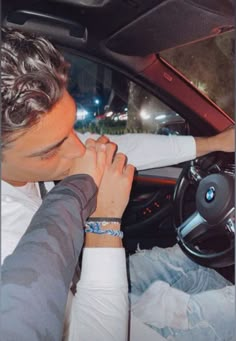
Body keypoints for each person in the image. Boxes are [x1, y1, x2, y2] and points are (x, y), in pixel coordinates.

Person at [1, 28, 234, 340]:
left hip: (87, 278)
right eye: (50, 150)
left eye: (72, 129)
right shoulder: (8, 245)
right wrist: (104, 225)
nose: (78, 150)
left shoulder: (29, 150)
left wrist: (213, 142)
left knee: (189, 260)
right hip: (95, 320)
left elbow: (118, 148)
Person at [2, 142, 135, 341]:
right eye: (51, 147)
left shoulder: (26, 169)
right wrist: (105, 219)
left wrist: (198, 143)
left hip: (92, 291)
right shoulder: (8, 237)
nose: (79, 149)